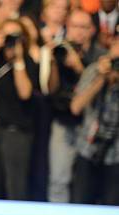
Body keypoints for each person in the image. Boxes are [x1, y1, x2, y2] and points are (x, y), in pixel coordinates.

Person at [0, 18, 40, 200]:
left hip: (17, 132)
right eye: (7, 35)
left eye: (15, 35)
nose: (11, 39)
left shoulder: (28, 62)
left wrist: (18, 59)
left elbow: (25, 93)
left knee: (15, 186)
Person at [47, 9, 106, 202]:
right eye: (75, 26)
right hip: (63, 122)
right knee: (58, 180)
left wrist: (79, 68)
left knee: (85, 183)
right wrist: (54, 63)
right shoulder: (60, 51)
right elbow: (51, 89)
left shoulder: (100, 56)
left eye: (84, 27)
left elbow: (99, 92)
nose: (79, 31)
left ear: (92, 30)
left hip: (91, 127)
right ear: (67, 27)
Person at [69, 37, 119, 205]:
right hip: (88, 147)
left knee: (111, 207)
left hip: (116, 153)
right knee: (81, 203)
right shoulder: (93, 71)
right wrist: (101, 79)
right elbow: (76, 107)